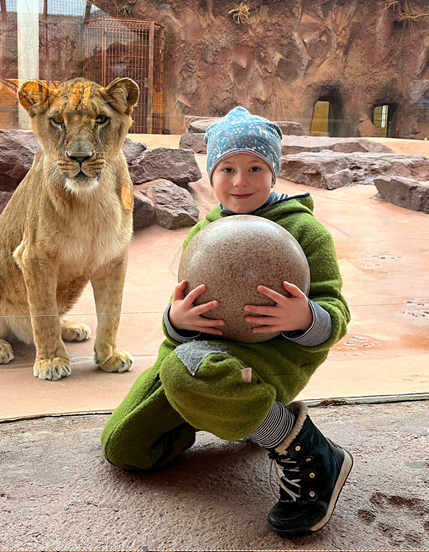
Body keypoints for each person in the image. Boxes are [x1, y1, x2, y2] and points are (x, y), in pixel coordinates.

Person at [101, 106, 353, 538]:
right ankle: (229, 411)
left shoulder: (306, 231)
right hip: (197, 353)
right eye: (227, 168)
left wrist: (304, 316)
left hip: (272, 356)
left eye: (256, 167)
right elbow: (182, 305)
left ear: (273, 172)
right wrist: (175, 320)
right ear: (210, 175)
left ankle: (308, 450)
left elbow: (336, 310)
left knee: (186, 372)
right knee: (125, 446)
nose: (241, 181)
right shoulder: (207, 231)